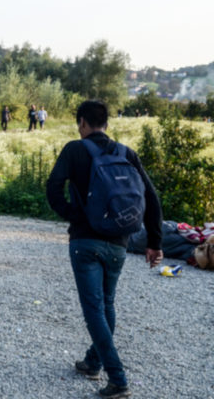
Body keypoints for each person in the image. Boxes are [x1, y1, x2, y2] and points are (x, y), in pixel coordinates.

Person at [46, 100, 163, 399]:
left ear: (82, 123)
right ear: (107, 124)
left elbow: (53, 188)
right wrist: (154, 243)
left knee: (94, 310)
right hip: (119, 243)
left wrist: (74, 215)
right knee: (107, 303)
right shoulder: (126, 153)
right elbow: (151, 198)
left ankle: (118, 379)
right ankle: (92, 362)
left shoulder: (75, 149)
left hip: (85, 242)